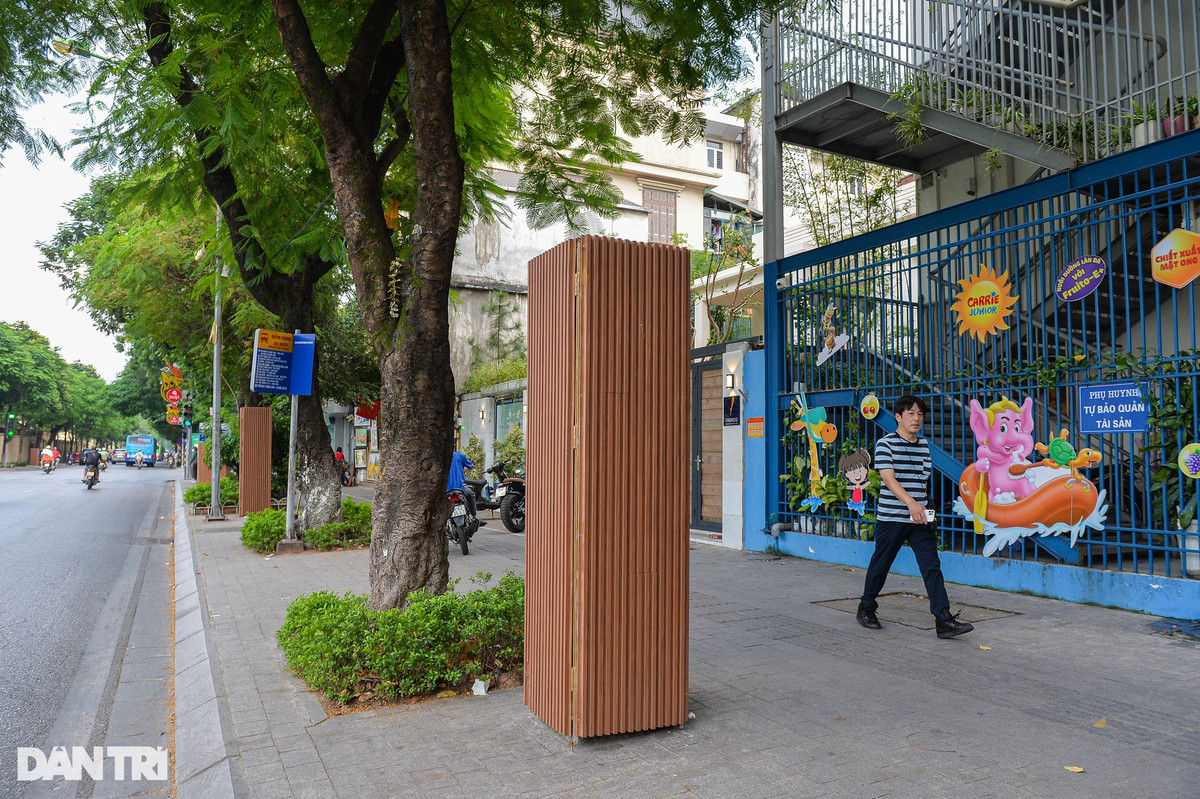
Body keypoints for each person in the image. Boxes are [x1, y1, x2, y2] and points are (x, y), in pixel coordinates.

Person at [857, 395, 973, 639]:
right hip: (893, 517)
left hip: (919, 518)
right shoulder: (885, 444)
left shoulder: (923, 445)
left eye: (920, 414)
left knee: (932, 566)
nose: (916, 418)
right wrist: (911, 503)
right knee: (881, 563)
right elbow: (889, 478)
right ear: (898, 417)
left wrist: (925, 509)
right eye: (910, 413)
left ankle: (943, 620)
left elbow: (923, 481)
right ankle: (866, 608)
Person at [446, 450, 480, 521]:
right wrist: (461, 470)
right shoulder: (459, 455)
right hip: (460, 489)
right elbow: (470, 465)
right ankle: (474, 517)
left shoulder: (438, 457)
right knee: (471, 494)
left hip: (446, 491)